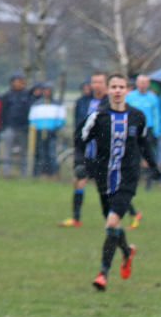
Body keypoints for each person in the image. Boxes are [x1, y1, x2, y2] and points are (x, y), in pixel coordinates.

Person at [74, 73, 161, 291]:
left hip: (128, 177)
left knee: (112, 223)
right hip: (104, 176)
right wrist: (81, 163)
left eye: (121, 86)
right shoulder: (98, 117)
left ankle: (102, 273)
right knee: (112, 225)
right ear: (108, 90)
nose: (117, 90)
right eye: (113, 86)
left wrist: (153, 167)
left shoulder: (137, 117)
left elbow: (144, 144)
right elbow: (79, 139)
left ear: (127, 90)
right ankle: (127, 250)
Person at [58, 72, 141, 228]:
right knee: (78, 181)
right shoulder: (83, 101)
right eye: (94, 81)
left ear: (106, 85)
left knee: (112, 189)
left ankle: (132, 213)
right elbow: (80, 127)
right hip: (89, 153)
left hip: (105, 155)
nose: (96, 85)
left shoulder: (109, 103)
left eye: (100, 82)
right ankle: (76, 218)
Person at [0, 72, 32, 176]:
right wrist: (4, 126)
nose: (17, 83)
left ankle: (23, 172)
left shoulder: (27, 95)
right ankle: (7, 172)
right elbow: (3, 111)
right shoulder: (7, 95)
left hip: (23, 128)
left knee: (23, 151)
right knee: (7, 150)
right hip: (10, 126)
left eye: (19, 81)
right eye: (15, 81)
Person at [30, 84, 65, 177]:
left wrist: (55, 128)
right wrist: (37, 128)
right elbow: (32, 119)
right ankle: (41, 173)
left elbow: (61, 119)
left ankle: (53, 173)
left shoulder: (57, 104)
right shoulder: (37, 104)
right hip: (39, 132)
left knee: (51, 154)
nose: (47, 92)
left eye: (49, 90)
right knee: (41, 154)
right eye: (45, 90)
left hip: (52, 133)